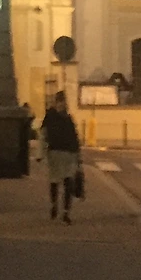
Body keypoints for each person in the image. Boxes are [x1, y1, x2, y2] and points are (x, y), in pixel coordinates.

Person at [40, 91, 81, 223]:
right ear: (56, 102)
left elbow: (74, 138)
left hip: (68, 154)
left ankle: (65, 212)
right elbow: (43, 135)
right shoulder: (51, 116)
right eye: (60, 101)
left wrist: (78, 157)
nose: (62, 104)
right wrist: (40, 153)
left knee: (68, 182)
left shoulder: (68, 118)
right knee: (55, 181)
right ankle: (54, 205)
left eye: (63, 101)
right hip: (55, 153)